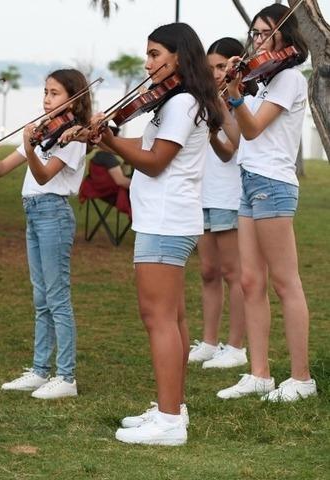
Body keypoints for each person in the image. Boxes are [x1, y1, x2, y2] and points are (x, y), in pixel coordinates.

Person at [63, 23, 224, 445]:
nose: (148, 63)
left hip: (165, 219)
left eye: (155, 54)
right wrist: (105, 138)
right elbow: (149, 146)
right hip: (167, 217)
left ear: (179, 56)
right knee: (172, 318)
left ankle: (169, 422)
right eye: (148, 55)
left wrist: (110, 141)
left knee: (158, 318)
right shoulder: (178, 101)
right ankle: (173, 407)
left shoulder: (182, 101)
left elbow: (155, 162)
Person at [0, 69, 91, 399]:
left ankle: (66, 377)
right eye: (45, 92)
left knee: (57, 296)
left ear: (73, 100)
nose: (46, 99)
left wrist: (29, 146)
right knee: (41, 298)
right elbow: (0, 170)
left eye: (55, 93)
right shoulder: (44, 131)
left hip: (54, 213)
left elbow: (43, 176)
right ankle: (39, 370)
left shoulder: (73, 137)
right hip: (34, 213)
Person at [217, 3, 316, 402]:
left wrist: (236, 96)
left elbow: (255, 129)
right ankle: (259, 374)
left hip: (272, 183)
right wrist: (225, 99)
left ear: (284, 36)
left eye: (264, 32)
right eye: (254, 32)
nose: (256, 39)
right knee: (250, 281)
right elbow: (241, 137)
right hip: (250, 180)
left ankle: (301, 379)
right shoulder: (263, 80)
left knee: (285, 281)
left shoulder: (289, 78)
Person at [188, 38, 248, 370]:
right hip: (202, 194)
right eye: (210, 67)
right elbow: (214, 148)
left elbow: (235, 146)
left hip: (229, 195)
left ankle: (236, 346)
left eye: (222, 66)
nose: (215, 73)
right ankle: (210, 342)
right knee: (208, 271)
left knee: (233, 273)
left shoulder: (240, 100)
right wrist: (209, 132)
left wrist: (222, 108)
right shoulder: (201, 101)